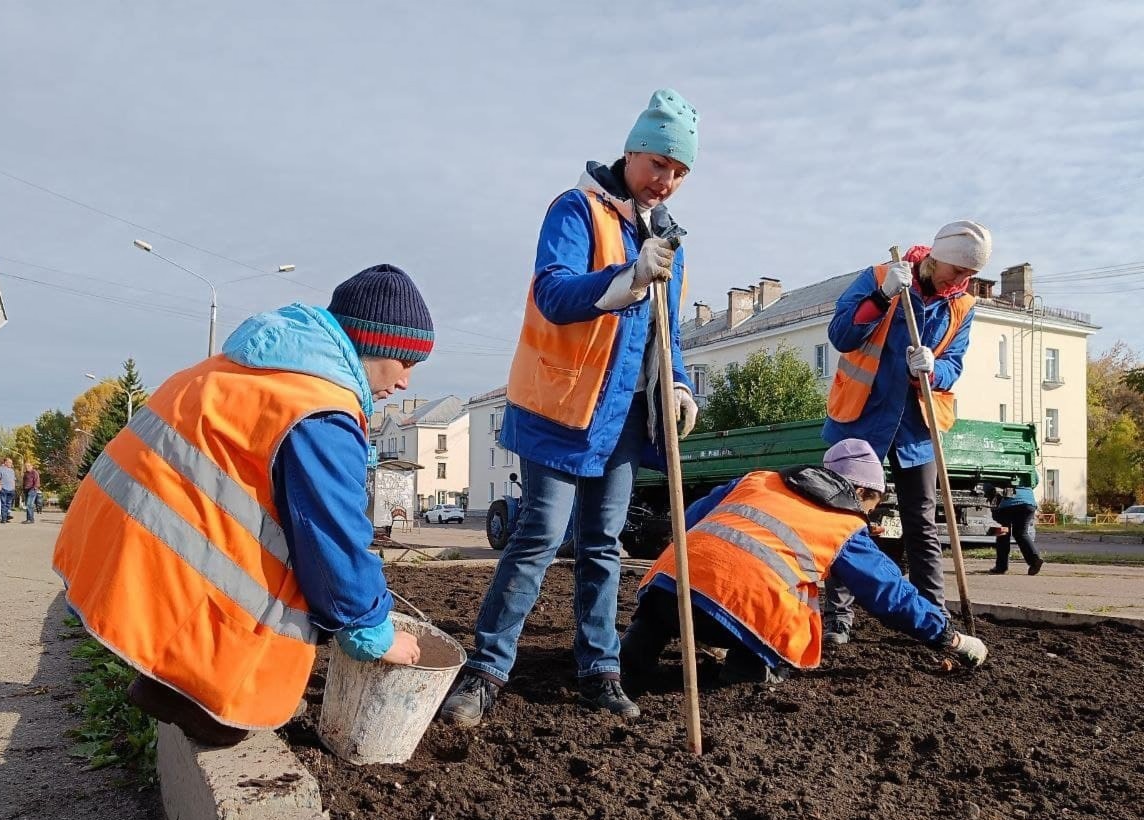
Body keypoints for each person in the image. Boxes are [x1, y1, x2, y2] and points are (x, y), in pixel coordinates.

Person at [54, 265, 432, 747]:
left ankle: (167, 679)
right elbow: (334, 541)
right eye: (406, 362)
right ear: (375, 344)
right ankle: (193, 693)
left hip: (110, 544)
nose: (406, 382)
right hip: (151, 552)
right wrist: (374, 634)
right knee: (233, 716)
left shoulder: (254, 370)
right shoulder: (321, 408)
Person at [440, 89, 701, 727]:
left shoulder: (668, 239)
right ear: (632, 151)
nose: (666, 181)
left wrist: (678, 384)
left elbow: (667, 332)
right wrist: (628, 277)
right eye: (659, 164)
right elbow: (553, 295)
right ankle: (485, 670)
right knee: (538, 536)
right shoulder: (576, 210)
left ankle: (599, 670)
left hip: (622, 419)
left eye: (679, 171)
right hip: (561, 408)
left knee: (603, 544)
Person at [620, 439, 989, 686]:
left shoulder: (757, 480)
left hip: (667, 589)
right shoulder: (843, 524)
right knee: (800, 600)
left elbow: (689, 520)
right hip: (742, 616)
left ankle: (635, 652)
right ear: (861, 491)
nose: (866, 516)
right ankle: (748, 668)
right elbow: (889, 594)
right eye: (870, 506)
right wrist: (949, 637)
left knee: (658, 617)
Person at [820, 220, 992, 645]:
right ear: (936, 257)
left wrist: (932, 370)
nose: (961, 281)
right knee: (844, 516)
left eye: (970, 275)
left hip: (917, 426)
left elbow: (954, 364)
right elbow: (841, 335)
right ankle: (838, 617)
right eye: (957, 271)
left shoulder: (962, 305)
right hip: (862, 415)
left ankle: (934, 618)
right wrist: (881, 298)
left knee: (922, 523)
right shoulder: (881, 276)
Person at [987, 483, 1043, 575]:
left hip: (1008, 504)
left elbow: (989, 484)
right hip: (1028, 503)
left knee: (1003, 533)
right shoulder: (1027, 473)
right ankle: (1034, 560)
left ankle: (1001, 567)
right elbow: (1035, 481)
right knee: (1021, 533)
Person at [0, 457, 16, 523]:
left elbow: (13, 480)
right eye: (9, 462)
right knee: (3, 504)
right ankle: (3, 518)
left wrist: (14, 488)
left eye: (11, 463)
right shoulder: (0, 469)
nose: (11, 464)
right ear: (5, 462)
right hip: (3, 489)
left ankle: (6, 517)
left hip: (11, 489)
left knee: (8, 504)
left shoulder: (12, 471)